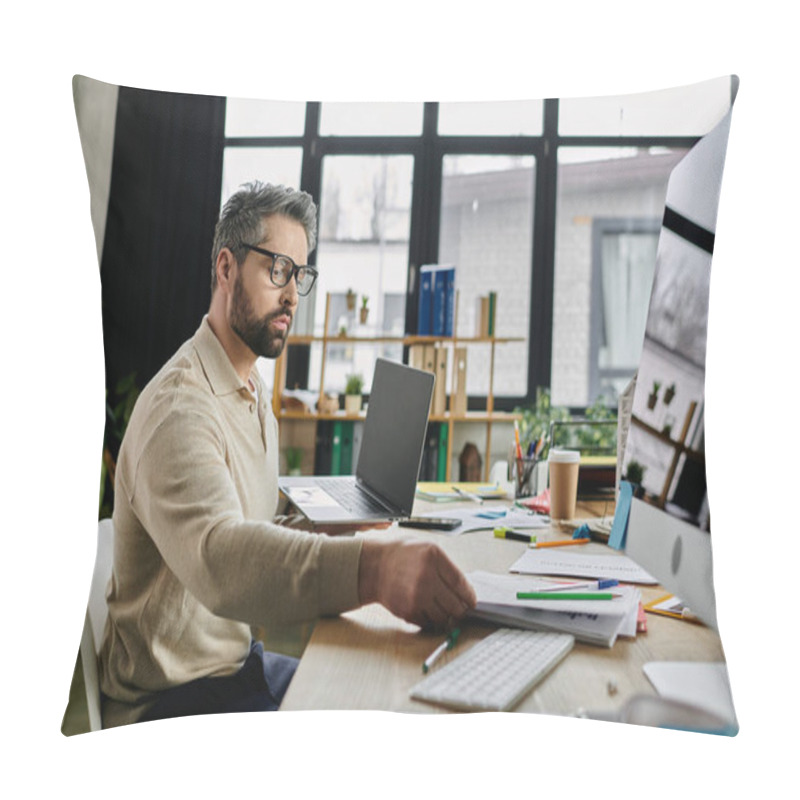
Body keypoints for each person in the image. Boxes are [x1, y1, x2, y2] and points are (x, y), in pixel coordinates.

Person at [99, 181, 476, 727]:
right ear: (226, 269)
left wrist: (331, 530)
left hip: (233, 667)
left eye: (301, 275)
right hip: (172, 702)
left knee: (379, 695)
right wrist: (375, 570)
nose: (292, 294)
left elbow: (251, 523)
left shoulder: (249, 392)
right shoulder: (180, 408)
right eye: (277, 269)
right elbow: (220, 558)